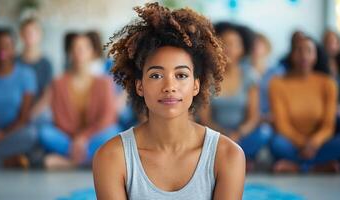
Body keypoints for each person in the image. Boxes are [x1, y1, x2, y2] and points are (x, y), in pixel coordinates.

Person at [93, 3, 245, 199]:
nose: (169, 86)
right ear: (140, 86)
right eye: (156, 75)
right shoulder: (111, 157)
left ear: (196, 86)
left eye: (181, 75)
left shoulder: (228, 155)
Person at [37, 33, 120, 169]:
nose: (79, 52)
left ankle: (70, 163)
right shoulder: (58, 83)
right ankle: (89, 161)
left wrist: (83, 137)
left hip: (93, 137)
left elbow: (108, 117)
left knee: (113, 131)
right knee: (44, 133)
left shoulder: (104, 82)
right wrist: (76, 140)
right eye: (75, 48)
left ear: (92, 52)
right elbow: (59, 119)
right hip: (69, 138)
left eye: (84, 48)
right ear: (70, 52)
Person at [269, 36, 340, 173]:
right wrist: (303, 143)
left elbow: (328, 125)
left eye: (309, 51)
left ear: (315, 56)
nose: (304, 55)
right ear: (292, 55)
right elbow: (282, 125)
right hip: (291, 143)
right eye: (299, 50)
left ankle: (297, 166)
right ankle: (317, 166)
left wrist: (313, 143)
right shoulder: (277, 83)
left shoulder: (328, 83)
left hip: (320, 143)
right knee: (276, 143)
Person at [199, 22, 270, 168]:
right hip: (215, 134)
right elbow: (205, 118)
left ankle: (237, 158)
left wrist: (238, 133)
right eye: (224, 43)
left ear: (243, 49)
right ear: (215, 46)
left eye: (234, 44)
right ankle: (237, 159)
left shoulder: (250, 76)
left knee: (264, 134)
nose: (228, 49)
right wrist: (223, 134)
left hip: (242, 135)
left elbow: (253, 117)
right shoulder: (207, 78)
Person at [0, 29, 37, 168]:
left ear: (14, 49)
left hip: (14, 133)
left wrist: (3, 134)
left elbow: (24, 116)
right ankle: (5, 161)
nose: (3, 50)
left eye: (7, 45)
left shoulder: (26, 75)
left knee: (31, 134)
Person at [17, 18, 53, 102]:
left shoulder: (46, 63)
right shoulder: (14, 61)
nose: (30, 35)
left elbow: (48, 95)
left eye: (33, 32)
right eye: (27, 32)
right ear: (21, 35)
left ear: (40, 35)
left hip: (39, 110)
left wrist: (31, 114)